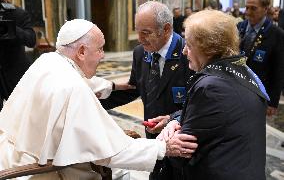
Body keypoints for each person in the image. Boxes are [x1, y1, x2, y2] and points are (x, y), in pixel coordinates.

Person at [0, 19, 198, 179]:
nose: (103, 55)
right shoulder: (73, 89)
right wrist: (164, 147)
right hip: (45, 173)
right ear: (82, 52)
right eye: (100, 49)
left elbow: (80, 80)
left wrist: (113, 85)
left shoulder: (48, 61)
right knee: (123, 172)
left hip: (13, 158)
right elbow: (111, 153)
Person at [156, 9, 268, 180]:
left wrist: (164, 143)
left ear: (207, 48)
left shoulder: (209, 87)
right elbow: (216, 119)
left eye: (189, 44)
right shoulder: (244, 71)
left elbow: (184, 152)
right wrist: (175, 120)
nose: (185, 51)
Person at [100, 1, 193, 179]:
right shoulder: (140, 53)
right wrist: (93, 101)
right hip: (153, 139)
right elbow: (134, 88)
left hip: (181, 143)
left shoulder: (188, 53)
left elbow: (200, 103)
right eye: (138, 31)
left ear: (166, 29)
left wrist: (172, 120)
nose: (140, 39)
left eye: (146, 33)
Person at [238, 0, 284, 116]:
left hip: (259, 94)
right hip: (236, 91)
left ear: (265, 9)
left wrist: (273, 102)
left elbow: (278, 70)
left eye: (253, 8)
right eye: (247, 7)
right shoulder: (239, 28)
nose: (248, 12)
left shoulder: (276, 34)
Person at [0, 0, 36, 110]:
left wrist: (9, 27)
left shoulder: (17, 13)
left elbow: (31, 40)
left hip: (14, 73)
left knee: (21, 112)